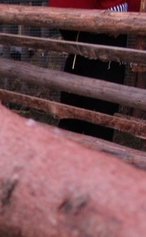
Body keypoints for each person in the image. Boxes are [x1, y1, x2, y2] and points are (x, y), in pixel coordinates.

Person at [49, 0, 140, 141]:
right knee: (101, 99)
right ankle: (95, 147)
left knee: (77, 71)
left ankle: (70, 146)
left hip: (73, 14)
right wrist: (119, 13)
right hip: (101, 17)